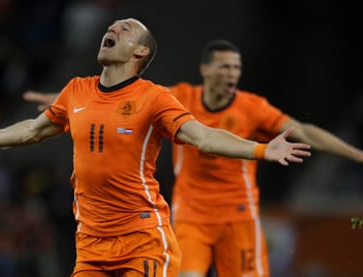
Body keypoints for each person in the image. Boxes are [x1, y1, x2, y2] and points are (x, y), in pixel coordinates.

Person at [0, 19, 311, 277]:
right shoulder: (76, 89)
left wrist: (262, 150)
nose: (115, 28)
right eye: (113, 26)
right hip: (90, 243)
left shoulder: (152, 98)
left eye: (127, 28)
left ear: (139, 52)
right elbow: (34, 130)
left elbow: (202, 136)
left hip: (141, 240)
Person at [20, 38, 363, 277]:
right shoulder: (180, 96)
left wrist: (356, 154)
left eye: (236, 68)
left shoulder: (252, 108)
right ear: (205, 69)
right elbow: (116, 94)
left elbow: (303, 130)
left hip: (237, 216)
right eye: (224, 67)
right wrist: (65, 100)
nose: (231, 74)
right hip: (191, 217)